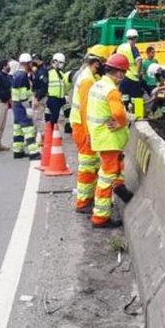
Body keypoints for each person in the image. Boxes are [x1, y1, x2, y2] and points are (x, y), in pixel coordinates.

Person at [87, 54, 134, 229]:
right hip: (109, 138)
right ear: (120, 73)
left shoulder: (97, 85)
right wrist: (123, 122)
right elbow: (119, 114)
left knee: (116, 165)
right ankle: (100, 217)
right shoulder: (111, 90)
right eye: (123, 73)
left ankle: (120, 188)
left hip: (100, 135)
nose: (123, 77)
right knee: (106, 177)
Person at [70, 46, 106, 213]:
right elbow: (85, 109)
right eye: (103, 62)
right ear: (96, 63)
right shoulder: (87, 80)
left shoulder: (89, 76)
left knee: (91, 164)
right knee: (87, 165)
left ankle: (87, 198)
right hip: (83, 127)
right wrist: (90, 133)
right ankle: (83, 202)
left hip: (82, 126)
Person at [12, 53, 40, 160]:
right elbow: (23, 95)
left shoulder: (16, 74)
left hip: (16, 105)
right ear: (28, 63)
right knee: (28, 129)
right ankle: (34, 153)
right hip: (21, 106)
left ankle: (18, 151)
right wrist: (28, 108)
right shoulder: (22, 76)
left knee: (18, 129)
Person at [116, 28, 144, 118]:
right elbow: (139, 60)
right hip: (133, 76)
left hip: (123, 75)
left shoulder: (121, 47)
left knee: (124, 96)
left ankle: (124, 114)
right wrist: (138, 72)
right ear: (136, 38)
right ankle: (139, 116)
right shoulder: (133, 48)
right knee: (137, 98)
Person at [46, 52, 71, 128]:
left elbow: (64, 85)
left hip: (61, 97)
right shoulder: (49, 73)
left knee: (68, 111)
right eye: (60, 63)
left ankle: (68, 127)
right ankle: (51, 130)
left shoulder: (61, 73)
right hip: (53, 98)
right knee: (54, 115)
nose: (61, 65)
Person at [31, 53, 49, 142]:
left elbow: (43, 87)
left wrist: (38, 99)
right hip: (38, 95)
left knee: (39, 118)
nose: (33, 62)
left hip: (41, 97)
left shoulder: (43, 71)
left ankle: (43, 137)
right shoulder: (38, 70)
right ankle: (39, 136)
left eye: (34, 60)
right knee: (37, 117)